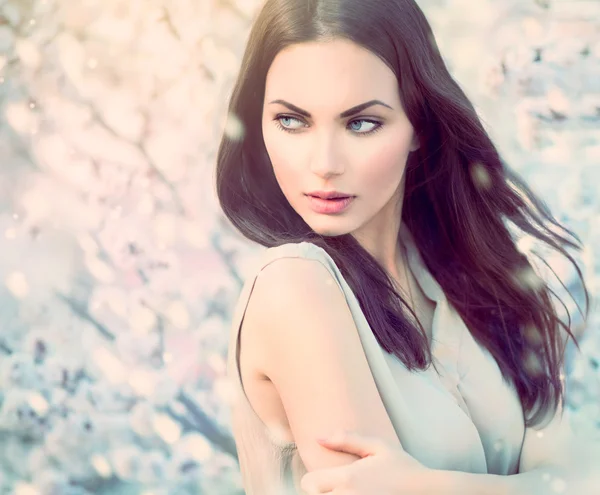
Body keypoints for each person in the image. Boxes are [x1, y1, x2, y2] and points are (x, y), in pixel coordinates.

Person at [215, 0, 594, 494]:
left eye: (361, 123)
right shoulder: (294, 285)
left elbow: (586, 476)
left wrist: (426, 486)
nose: (324, 163)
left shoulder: (466, 277)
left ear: (419, 125)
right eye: (292, 121)